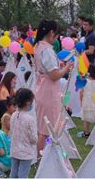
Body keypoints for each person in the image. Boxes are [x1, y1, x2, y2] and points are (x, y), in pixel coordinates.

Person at [33, 20, 70, 152]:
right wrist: (66, 68)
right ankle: (42, 155)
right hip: (49, 89)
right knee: (48, 127)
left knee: (43, 126)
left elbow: (48, 69)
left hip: (42, 86)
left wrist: (59, 67)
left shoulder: (38, 46)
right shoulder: (47, 49)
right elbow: (54, 75)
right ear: (51, 33)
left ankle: (42, 154)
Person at [9, 88, 37, 179]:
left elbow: (12, 130)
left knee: (13, 173)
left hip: (15, 149)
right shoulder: (30, 119)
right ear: (28, 102)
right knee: (23, 175)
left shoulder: (13, 115)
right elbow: (33, 138)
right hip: (26, 152)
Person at [79, 65, 95, 138]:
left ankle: (86, 133)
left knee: (86, 120)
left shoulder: (84, 81)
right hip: (94, 104)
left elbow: (81, 93)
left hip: (86, 103)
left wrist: (81, 101)